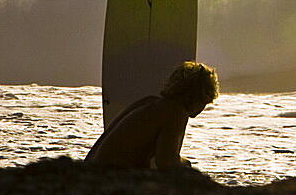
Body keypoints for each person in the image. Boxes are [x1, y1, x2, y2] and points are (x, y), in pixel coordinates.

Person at [85, 61, 219, 169]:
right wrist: (188, 166)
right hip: (106, 179)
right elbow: (167, 162)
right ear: (199, 96)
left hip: (88, 173)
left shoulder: (149, 102)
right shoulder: (176, 112)